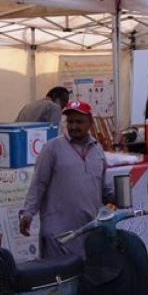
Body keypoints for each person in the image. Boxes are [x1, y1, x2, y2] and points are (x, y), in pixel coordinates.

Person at [19, 100, 113, 259]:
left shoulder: (98, 150)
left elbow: (104, 189)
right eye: (70, 121)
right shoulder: (52, 148)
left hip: (89, 230)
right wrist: (28, 213)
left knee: (86, 279)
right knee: (61, 280)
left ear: (90, 122)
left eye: (79, 121)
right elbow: (38, 184)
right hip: (58, 235)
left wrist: (122, 194)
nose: (74, 126)